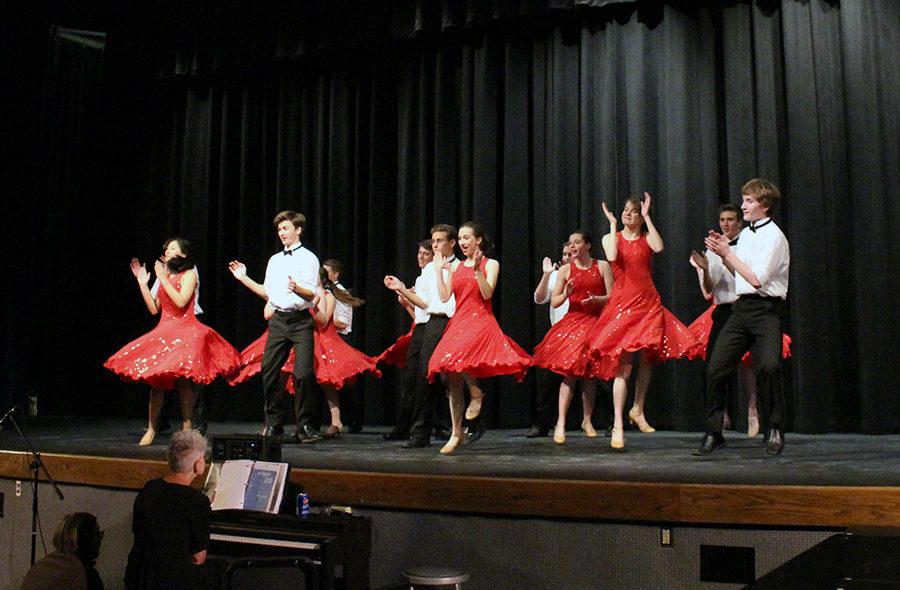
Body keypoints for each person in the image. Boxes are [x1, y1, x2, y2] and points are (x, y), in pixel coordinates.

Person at [588, 194, 701, 450]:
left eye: (633, 212)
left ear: (640, 216)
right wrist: (612, 223)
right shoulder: (611, 237)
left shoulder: (645, 238)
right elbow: (613, 255)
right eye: (626, 210)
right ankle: (618, 423)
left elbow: (659, 247)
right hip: (623, 306)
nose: (628, 214)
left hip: (648, 303)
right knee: (624, 367)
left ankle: (638, 408)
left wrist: (648, 217)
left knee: (648, 358)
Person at [104, 238, 241, 446]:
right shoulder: (164, 275)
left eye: (173, 249)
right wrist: (143, 284)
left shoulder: (190, 274)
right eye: (167, 248)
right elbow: (153, 308)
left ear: (184, 255)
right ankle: (151, 428)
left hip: (187, 329)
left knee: (184, 382)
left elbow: (181, 301)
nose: (168, 251)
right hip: (165, 329)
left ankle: (186, 427)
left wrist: (162, 278)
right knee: (156, 383)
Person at [696, 179, 790, 456]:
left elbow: (757, 279)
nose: (744, 205)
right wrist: (722, 253)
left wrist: (728, 253)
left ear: (765, 205)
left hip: (766, 311)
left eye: (749, 201)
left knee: (769, 367)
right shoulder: (747, 235)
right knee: (716, 368)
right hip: (741, 310)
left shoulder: (775, 237)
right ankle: (714, 432)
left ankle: (774, 427)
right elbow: (740, 273)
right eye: (744, 200)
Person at [427, 221, 532, 454]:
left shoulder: (491, 264)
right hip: (460, 321)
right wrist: (437, 271)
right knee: (450, 375)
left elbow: (487, 293)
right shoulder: (455, 267)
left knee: (460, 362)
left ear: (478, 240)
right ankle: (457, 432)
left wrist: (476, 270)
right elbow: (445, 298)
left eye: (467, 238)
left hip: (481, 320)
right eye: (461, 238)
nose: (463, 242)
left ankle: (474, 390)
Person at [383, 225, 462, 449]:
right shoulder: (428, 270)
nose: (435, 245)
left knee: (439, 376)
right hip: (426, 324)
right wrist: (401, 289)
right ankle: (419, 431)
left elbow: (446, 302)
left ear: (451, 243)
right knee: (418, 376)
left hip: (446, 322)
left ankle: (438, 427)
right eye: (433, 241)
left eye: (439, 241)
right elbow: (424, 304)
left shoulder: (457, 267)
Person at [532, 231, 614, 444]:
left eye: (577, 242)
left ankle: (587, 420)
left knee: (591, 376)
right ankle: (560, 423)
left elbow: (612, 296)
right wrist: (567, 293)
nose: (573, 246)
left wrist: (598, 299)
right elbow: (555, 301)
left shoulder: (603, 266)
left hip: (596, 323)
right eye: (570, 243)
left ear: (588, 245)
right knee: (569, 373)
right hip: (574, 323)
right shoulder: (566, 270)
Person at [259, 210, 321, 443]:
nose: (281, 232)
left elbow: (311, 293)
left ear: (298, 230)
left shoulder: (309, 258)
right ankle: (274, 423)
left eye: (286, 228)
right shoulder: (274, 260)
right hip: (279, 321)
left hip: (301, 321)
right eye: (279, 229)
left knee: (303, 373)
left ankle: (305, 425)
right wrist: (245, 279)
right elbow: (269, 291)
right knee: (269, 371)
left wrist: (297, 289)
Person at [125, 430, 211, 590]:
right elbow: (199, 557)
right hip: (174, 582)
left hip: (139, 578)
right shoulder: (197, 501)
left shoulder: (149, 489)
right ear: (198, 465)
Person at [313, 266, 380, 437]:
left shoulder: (329, 296)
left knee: (331, 383)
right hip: (313, 340)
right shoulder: (308, 294)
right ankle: (311, 422)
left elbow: (330, 321)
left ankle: (338, 422)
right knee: (312, 382)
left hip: (330, 341)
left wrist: (312, 306)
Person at [527, 242, 570, 438]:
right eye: (564, 254)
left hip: (586, 331)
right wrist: (546, 275)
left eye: (572, 253)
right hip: (559, 334)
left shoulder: (590, 272)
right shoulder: (556, 275)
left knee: (596, 379)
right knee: (548, 379)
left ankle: (606, 422)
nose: (567, 257)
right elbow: (539, 298)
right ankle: (542, 424)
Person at [322, 259, 365, 432]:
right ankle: (337, 420)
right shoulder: (326, 291)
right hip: (328, 340)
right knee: (328, 382)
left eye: (327, 272)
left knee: (345, 383)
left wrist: (325, 318)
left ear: (335, 274)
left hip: (340, 340)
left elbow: (343, 322)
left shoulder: (340, 292)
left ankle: (354, 420)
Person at [20, 512, 104, 590]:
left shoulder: (42, 566)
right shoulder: (83, 574)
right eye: (97, 533)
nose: (101, 537)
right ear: (85, 538)